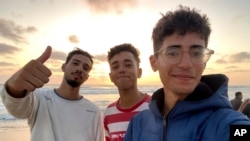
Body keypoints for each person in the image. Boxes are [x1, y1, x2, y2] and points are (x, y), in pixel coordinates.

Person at [124, 5, 250, 141]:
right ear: (154, 62)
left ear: (204, 62)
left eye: (196, 53)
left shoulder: (224, 124)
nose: (186, 64)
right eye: (173, 53)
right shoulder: (138, 125)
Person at [1, 46, 104, 141]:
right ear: (64, 67)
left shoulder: (94, 111)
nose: (80, 69)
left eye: (85, 68)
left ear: (87, 77)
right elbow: (17, 109)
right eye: (75, 63)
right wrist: (15, 86)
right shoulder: (39, 98)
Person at [104, 43, 151, 141]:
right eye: (115, 67)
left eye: (128, 65)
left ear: (139, 72)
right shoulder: (108, 113)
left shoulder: (155, 107)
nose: (121, 70)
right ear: (111, 76)